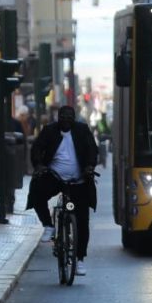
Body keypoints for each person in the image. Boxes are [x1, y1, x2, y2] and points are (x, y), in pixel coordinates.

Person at [26, 105, 98, 276]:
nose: (66, 118)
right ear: (58, 117)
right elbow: (37, 148)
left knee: (82, 221)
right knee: (37, 191)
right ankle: (48, 225)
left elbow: (91, 150)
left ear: (74, 117)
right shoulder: (49, 130)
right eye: (63, 116)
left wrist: (89, 166)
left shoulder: (82, 130)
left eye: (69, 116)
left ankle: (79, 260)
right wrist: (39, 165)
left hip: (78, 180)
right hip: (55, 176)